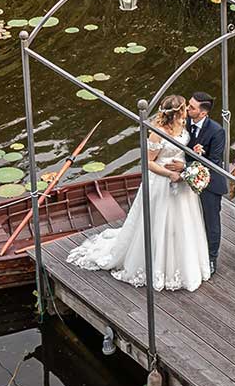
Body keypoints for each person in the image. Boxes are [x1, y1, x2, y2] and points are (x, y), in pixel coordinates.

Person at [66, 94, 212, 291]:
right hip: (161, 183)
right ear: (176, 113)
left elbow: (181, 152)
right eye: (185, 108)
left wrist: (189, 160)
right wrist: (169, 174)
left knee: (183, 223)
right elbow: (149, 162)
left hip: (182, 183)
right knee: (160, 222)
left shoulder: (183, 127)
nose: (187, 110)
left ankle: (182, 263)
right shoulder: (157, 133)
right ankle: (157, 265)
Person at [185, 93, 227, 269]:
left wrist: (198, 155)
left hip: (208, 181)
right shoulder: (183, 121)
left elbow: (215, 161)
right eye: (188, 104)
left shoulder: (217, 131)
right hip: (183, 177)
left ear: (203, 113)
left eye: (192, 107)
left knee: (211, 221)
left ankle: (211, 258)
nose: (187, 109)